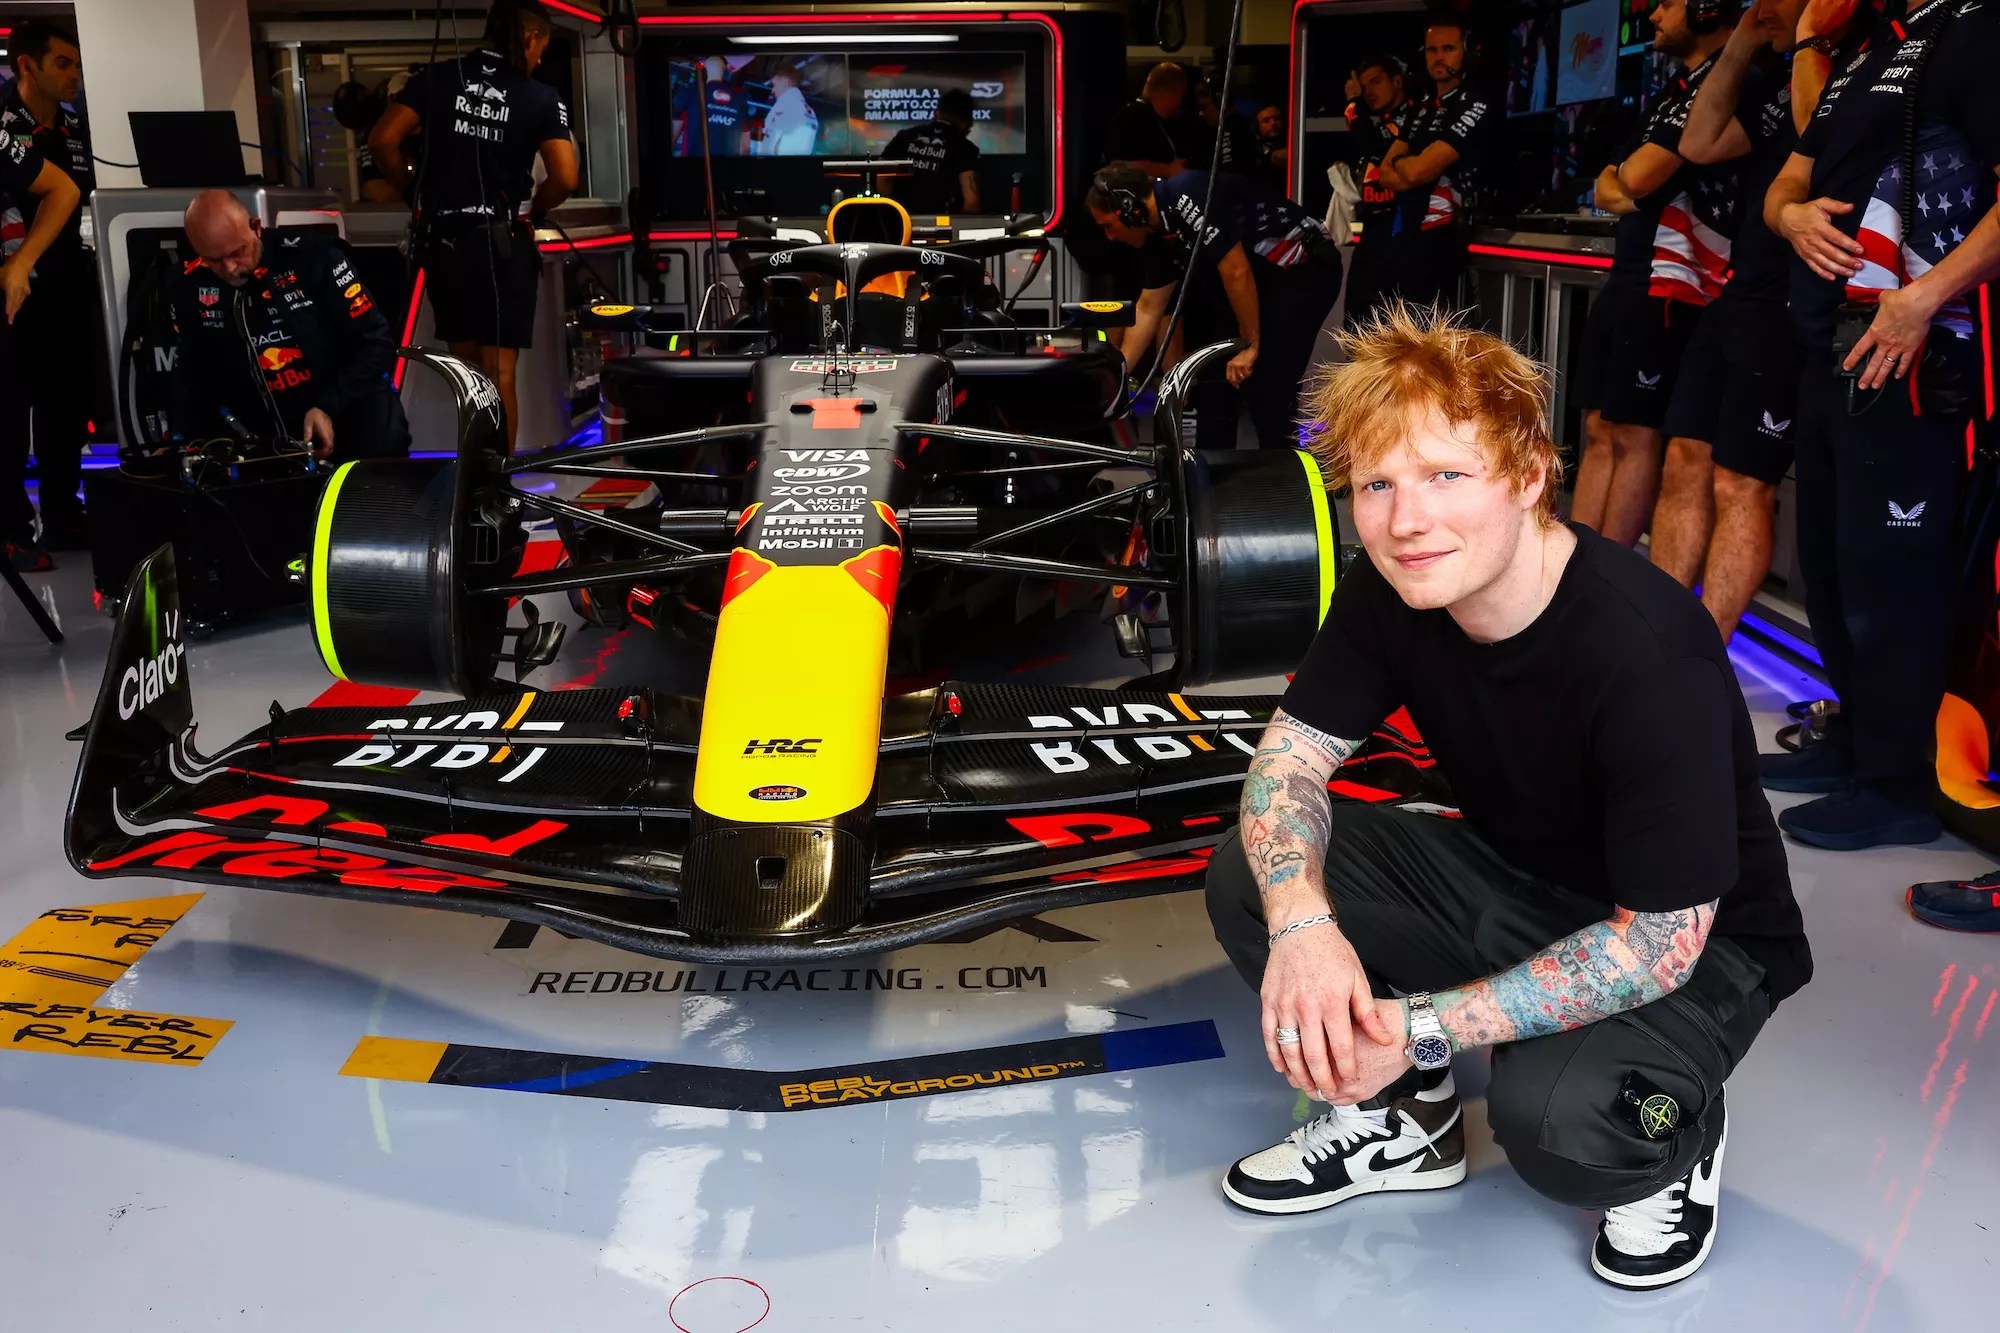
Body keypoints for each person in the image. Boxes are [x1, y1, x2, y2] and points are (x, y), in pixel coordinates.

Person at [1205, 304, 1811, 1290]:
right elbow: (1288, 761)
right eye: (1376, 485)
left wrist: (1412, 1026)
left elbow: (1653, 943)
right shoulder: (1393, 584)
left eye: (1447, 476)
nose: (1406, 519)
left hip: (1697, 945)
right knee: (1253, 874)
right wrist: (1302, 922)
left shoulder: (1646, 653)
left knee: (1561, 1124)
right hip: (1518, 880)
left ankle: (1679, 1136)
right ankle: (1405, 1122)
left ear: (1529, 478)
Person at [1760, 0, 2000, 849]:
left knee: (1891, 581)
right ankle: (1857, 749)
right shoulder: (1867, 48)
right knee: (1829, 567)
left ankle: (1899, 784)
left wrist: (1926, 299)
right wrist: (1789, 215)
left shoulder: (1973, 27)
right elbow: (1790, 176)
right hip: (1830, 343)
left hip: (1913, 350)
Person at [1648, 0, 1807, 639]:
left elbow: (1819, 130)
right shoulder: (1767, 74)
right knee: (1684, 455)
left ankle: (1703, 655)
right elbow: (1697, 141)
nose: (1758, 6)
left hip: (1797, 300)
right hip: (1739, 295)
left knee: (1743, 482)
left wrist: (1810, 40)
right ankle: (1657, 636)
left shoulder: (1838, 65)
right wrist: (1745, 37)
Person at [370, 0, 577, 453]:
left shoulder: (437, 79)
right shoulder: (540, 97)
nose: (541, 58)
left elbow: (383, 140)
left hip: (446, 243)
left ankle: (468, 475)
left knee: (467, 371)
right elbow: (564, 176)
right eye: (542, 46)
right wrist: (535, 209)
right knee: (499, 372)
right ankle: (496, 484)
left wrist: (414, 190)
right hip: (503, 243)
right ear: (531, 39)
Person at [1569, 0, 1740, 547]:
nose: (1654, 15)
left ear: (1708, 8)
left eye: (1667, 3)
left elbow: (1635, 179)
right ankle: (1573, 566)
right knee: (1598, 424)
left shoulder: (1730, 81)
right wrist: (1628, 184)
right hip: (1629, 272)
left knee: (1634, 431)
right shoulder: (1675, 89)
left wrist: (1629, 185)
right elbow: (1605, 186)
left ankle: (1608, 580)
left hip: (1672, 279)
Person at [1088, 162, 1341, 450]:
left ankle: (1288, 482)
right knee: (1213, 380)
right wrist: (1116, 380)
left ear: (1127, 208)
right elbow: (1148, 308)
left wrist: (1251, 345)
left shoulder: (1187, 194)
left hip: (1303, 269)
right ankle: (1213, 480)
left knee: (1268, 386)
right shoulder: (1158, 237)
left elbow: (1236, 271)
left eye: (1107, 225)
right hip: (1262, 284)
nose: (1109, 237)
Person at [171, 191, 410, 464]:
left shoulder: (316, 258)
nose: (230, 268)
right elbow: (192, 369)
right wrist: (181, 439)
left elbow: (376, 344)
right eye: (213, 260)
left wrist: (327, 405)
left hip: (350, 417)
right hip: (261, 443)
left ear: (255, 227)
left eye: (238, 252)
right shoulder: (189, 282)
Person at [0, 18, 88, 574]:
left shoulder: (76, 129)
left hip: (68, 281)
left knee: (68, 403)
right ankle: (12, 528)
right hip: (17, 287)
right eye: (63, 63)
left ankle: (62, 512)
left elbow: (75, 198)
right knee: (11, 409)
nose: (74, 74)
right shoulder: (6, 123)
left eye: (77, 63)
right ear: (26, 65)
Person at [1372, 17, 1497, 315]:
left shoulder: (1475, 102)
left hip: (1448, 238)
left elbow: (1417, 172)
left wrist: (1407, 165)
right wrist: (1410, 166)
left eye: (1448, 48)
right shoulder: (1423, 104)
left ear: (1466, 53)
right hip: (1407, 233)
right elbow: (1385, 175)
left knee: (1434, 341)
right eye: (1432, 50)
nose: (1439, 57)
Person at [1341, 54, 1412, 329]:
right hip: (1372, 233)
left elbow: (1372, 150)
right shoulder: (1375, 121)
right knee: (1356, 325)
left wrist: (1353, 104)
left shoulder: (1412, 119)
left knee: (1394, 331)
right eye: (1364, 85)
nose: (1369, 91)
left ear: (1397, 81)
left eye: (1376, 81)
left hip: (1402, 235)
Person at [883, 88, 982, 215]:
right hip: (942, 228)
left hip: (902, 224)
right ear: (967, 122)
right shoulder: (966, 149)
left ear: (936, 113)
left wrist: (893, 215)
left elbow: (883, 179)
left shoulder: (904, 137)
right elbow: (972, 204)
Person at [1104, 62, 1191, 179]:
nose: (1180, 104)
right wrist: (1168, 169)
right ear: (1164, 90)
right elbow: (1122, 166)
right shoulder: (1130, 119)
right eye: (1179, 95)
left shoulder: (1151, 118)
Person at [756, 64, 820, 156]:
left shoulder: (783, 106)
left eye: (774, 85)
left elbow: (767, 146)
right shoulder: (809, 111)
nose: (772, 90)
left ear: (786, 81)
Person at [1255, 101, 1290, 187]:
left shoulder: (1294, 139)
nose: (1273, 123)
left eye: (1277, 118)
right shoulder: (1254, 146)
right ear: (1257, 126)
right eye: (1266, 121)